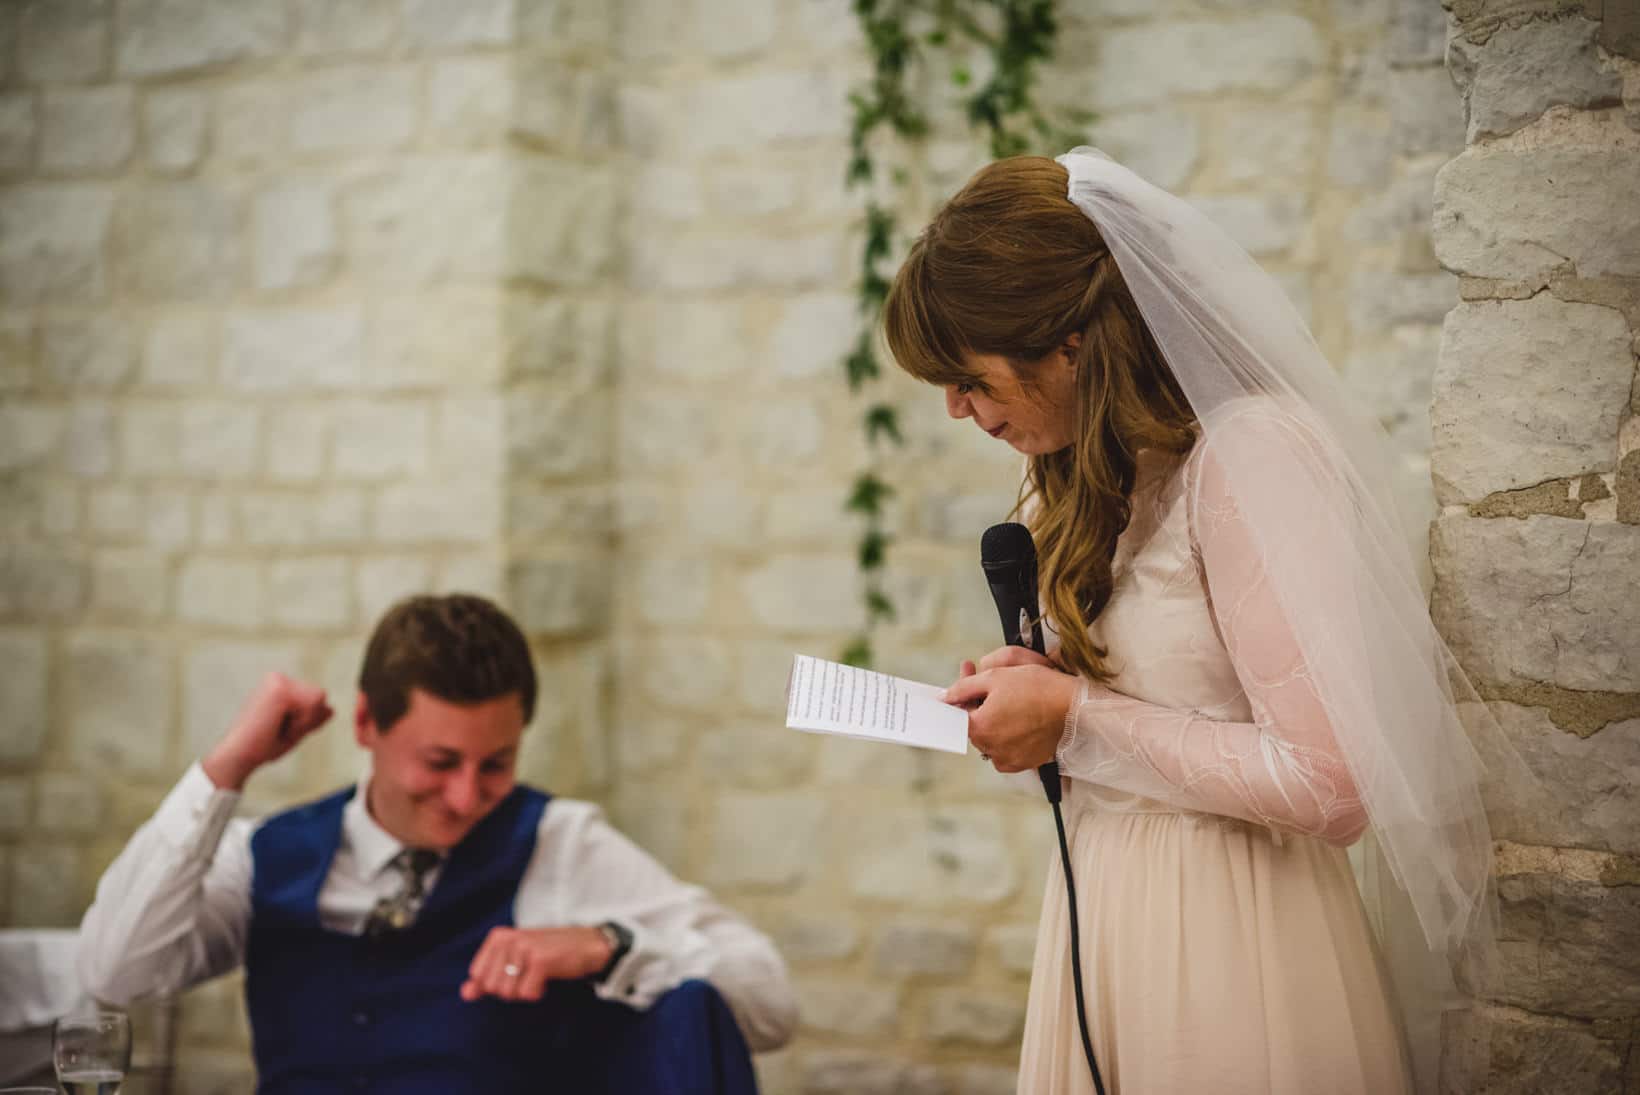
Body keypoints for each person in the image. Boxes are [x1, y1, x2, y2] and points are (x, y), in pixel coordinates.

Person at [882, 150, 1500, 1095]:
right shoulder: (1102, 474)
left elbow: (1334, 784)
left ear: (1069, 343)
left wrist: (1078, 716)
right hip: (1107, 911)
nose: (958, 407)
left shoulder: (1253, 456)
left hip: (1233, 931)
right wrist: (1035, 692)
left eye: (968, 375)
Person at [78, 593, 796, 1093]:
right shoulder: (263, 852)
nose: (466, 797)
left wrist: (605, 942)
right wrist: (227, 766)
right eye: (440, 762)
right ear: (366, 723)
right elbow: (113, 972)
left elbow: (767, 1002)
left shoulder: (558, 842)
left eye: (497, 763)